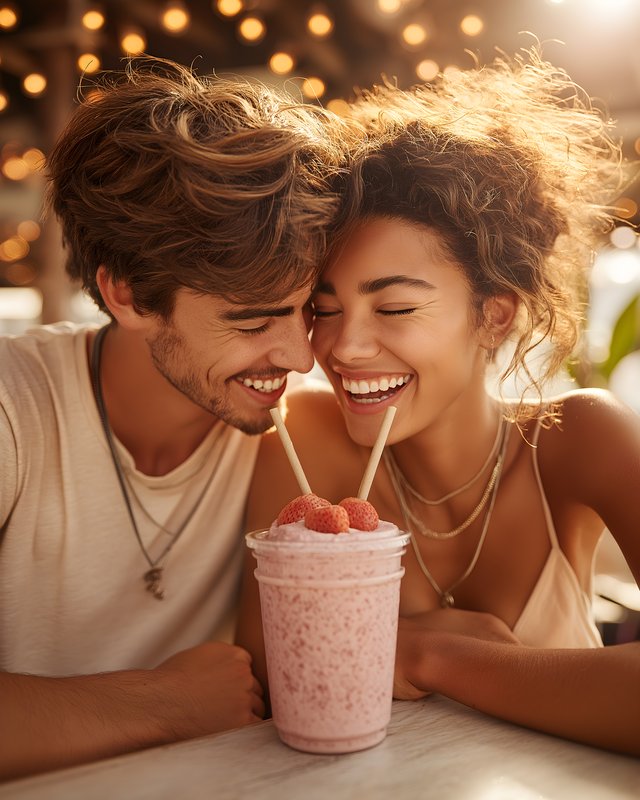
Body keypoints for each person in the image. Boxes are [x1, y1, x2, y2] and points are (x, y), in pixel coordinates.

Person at [236, 49, 640, 756]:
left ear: (494, 316)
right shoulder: (302, 444)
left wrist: (433, 658)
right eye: (323, 309)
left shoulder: (580, 439)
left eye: (393, 307)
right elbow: (272, 685)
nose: (342, 348)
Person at [0, 57, 348, 780]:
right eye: (252, 319)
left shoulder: (297, 440)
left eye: (307, 309)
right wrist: (161, 703)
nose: (299, 356)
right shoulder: (14, 413)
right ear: (127, 295)